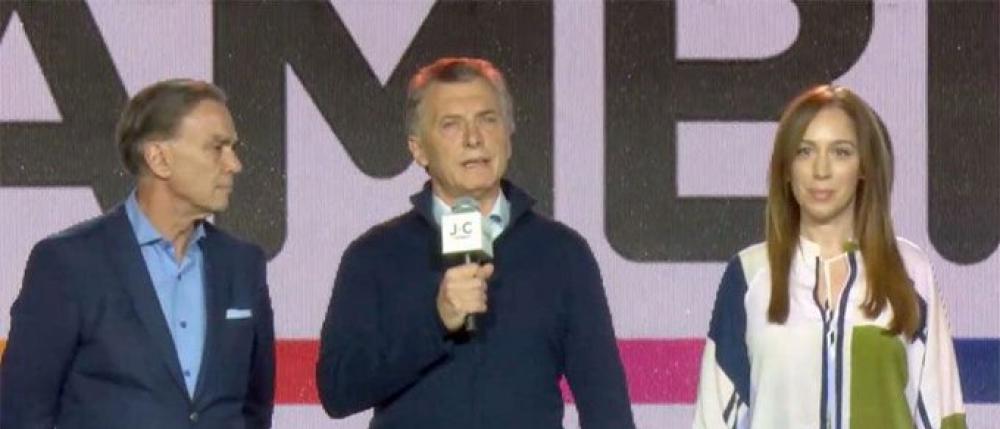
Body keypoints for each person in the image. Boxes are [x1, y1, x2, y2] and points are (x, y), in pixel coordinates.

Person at [315, 57, 635, 428]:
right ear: (418, 150)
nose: (473, 139)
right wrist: (436, 321)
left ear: (508, 136)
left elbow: (606, 406)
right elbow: (337, 392)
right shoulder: (374, 256)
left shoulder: (562, 254)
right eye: (451, 125)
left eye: (487, 120)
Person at [0, 79, 275, 429]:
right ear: (159, 158)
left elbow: (255, 410)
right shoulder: (69, 264)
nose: (234, 164)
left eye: (233, 148)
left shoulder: (243, 264)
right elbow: (21, 414)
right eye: (216, 147)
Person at [693, 85, 966, 428]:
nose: (820, 170)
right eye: (804, 151)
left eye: (840, 152)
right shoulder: (749, 275)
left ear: (864, 166)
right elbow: (712, 419)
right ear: (786, 168)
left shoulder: (909, 271)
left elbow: (943, 415)